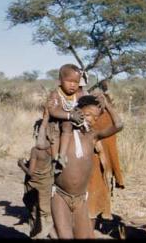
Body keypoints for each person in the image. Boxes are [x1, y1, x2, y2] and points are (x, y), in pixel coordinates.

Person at [43, 95, 123, 238]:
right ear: (77, 111)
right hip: (60, 195)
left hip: (81, 199)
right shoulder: (62, 133)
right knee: (65, 237)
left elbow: (118, 125)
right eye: (87, 114)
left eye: (96, 117)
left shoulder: (92, 136)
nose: (91, 119)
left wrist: (108, 107)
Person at [87, 86, 125, 228]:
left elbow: (118, 125)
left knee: (93, 198)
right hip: (80, 169)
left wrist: (107, 106)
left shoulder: (105, 118)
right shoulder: (80, 122)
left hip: (97, 163)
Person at [39, 64, 86, 174]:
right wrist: (70, 115)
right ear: (60, 80)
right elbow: (53, 110)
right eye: (69, 81)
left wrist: (80, 114)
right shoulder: (56, 94)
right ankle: (59, 157)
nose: (73, 85)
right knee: (65, 125)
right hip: (56, 123)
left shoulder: (79, 95)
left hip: (75, 122)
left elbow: (84, 106)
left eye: (76, 82)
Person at [17, 119, 55, 239]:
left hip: (35, 187)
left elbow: (31, 173)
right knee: (46, 216)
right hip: (46, 186)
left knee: (35, 215)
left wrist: (21, 164)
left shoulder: (36, 150)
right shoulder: (52, 148)